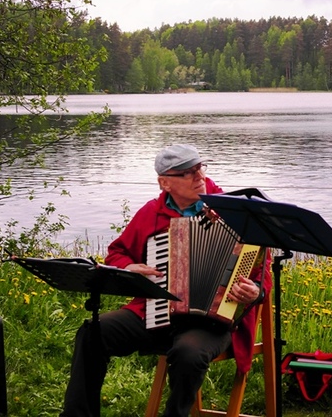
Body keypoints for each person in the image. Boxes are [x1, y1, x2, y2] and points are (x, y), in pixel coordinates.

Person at [60, 144, 271, 417]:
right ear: (165, 182)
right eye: (187, 173)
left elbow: (262, 272)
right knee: (94, 331)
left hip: (213, 321)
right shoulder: (151, 212)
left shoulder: (233, 213)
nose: (199, 177)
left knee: (188, 353)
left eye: (200, 168)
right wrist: (130, 266)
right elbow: (117, 252)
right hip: (154, 311)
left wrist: (255, 291)